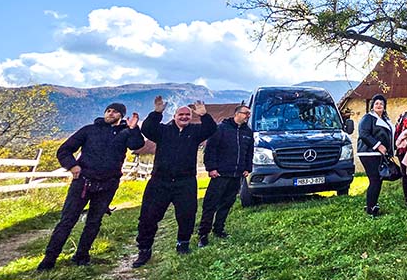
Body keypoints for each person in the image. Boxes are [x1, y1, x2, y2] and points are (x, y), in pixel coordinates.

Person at [37, 104, 143, 270]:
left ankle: (82, 255)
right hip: (83, 182)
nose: (111, 113)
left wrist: (133, 128)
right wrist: (72, 166)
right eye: (108, 111)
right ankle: (49, 259)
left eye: (115, 112)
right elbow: (64, 150)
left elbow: (136, 145)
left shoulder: (125, 133)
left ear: (121, 115)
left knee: (94, 221)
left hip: (108, 184)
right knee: (67, 220)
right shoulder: (89, 130)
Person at [134, 97, 218, 268]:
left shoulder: (195, 131)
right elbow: (147, 129)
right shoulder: (163, 130)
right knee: (148, 216)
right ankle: (144, 250)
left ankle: (183, 244)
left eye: (187, 115)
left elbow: (211, 129)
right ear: (174, 116)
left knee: (187, 215)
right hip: (160, 181)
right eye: (181, 114)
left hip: (185, 182)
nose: (184, 117)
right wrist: (157, 112)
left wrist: (203, 114)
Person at [197, 104, 253, 247]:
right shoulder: (221, 128)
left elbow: (249, 152)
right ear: (237, 114)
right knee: (211, 204)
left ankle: (219, 229)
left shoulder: (247, 132)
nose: (248, 116)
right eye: (245, 113)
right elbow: (211, 149)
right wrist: (211, 168)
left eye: (249, 114)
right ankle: (203, 234)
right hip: (220, 174)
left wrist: (247, 167)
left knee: (227, 203)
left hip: (237, 175)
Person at [357, 94, 394, 217]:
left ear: (384, 107)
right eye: (376, 103)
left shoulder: (385, 119)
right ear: (372, 106)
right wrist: (378, 145)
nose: (379, 105)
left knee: (378, 179)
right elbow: (363, 134)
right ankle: (370, 208)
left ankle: (372, 204)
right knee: (375, 179)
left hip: (378, 154)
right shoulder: (368, 118)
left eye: (381, 104)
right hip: (369, 153)